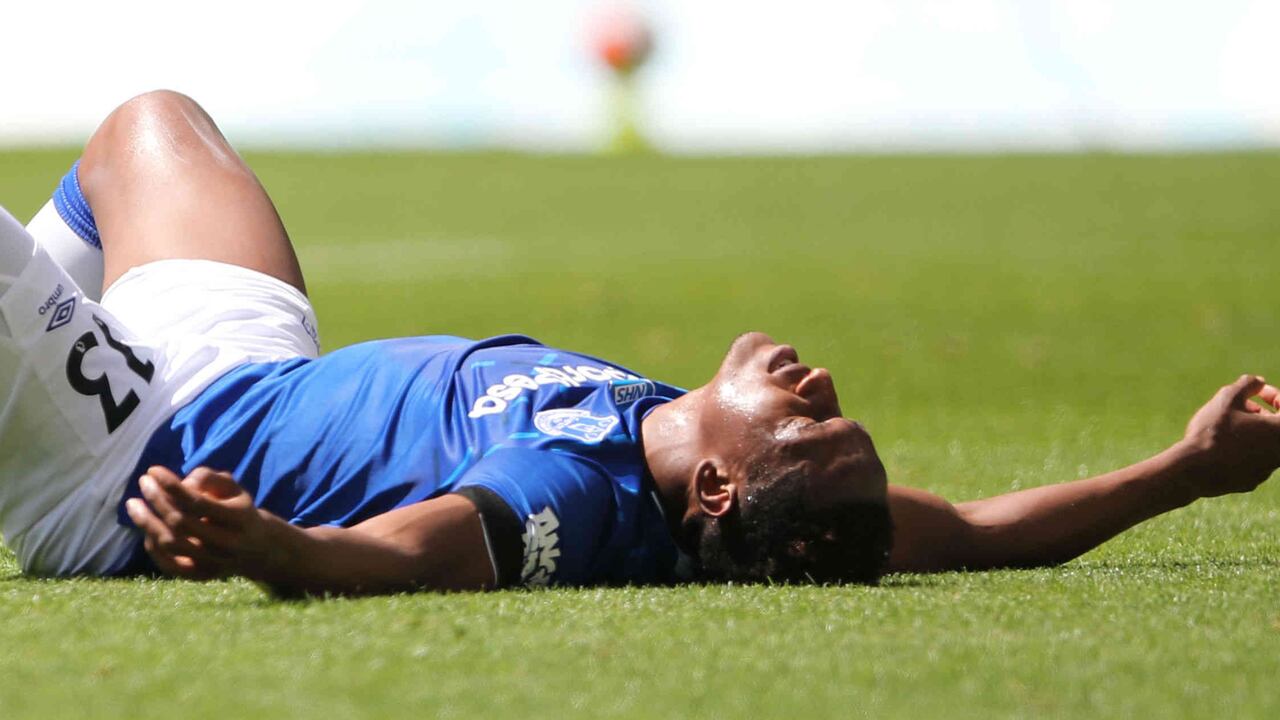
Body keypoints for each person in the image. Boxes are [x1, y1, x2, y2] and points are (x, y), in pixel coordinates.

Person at [1, 91, 1277, 597]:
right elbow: (984, 530)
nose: (823, 387)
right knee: (149, 129)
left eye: (808, 425)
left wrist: (268, 546)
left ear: (717, 485)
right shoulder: (725, 475)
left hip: (132, 458)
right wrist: (1184, 470)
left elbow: (414, 553)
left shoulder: (575, 494)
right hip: (245, 369)